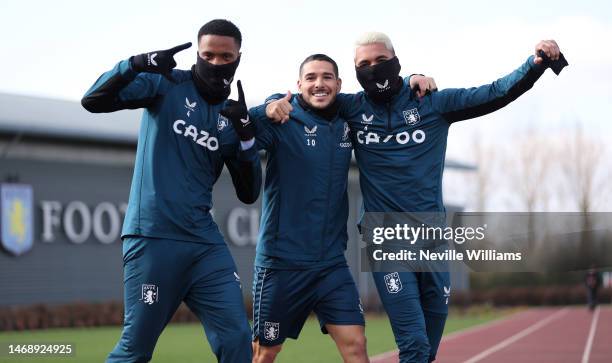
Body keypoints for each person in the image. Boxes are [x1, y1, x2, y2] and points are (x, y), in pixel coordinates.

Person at [266, 32, 566, 362]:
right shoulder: (350, 107)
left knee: (428, 350)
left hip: (431, 237)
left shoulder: (433, 103)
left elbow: (496, 92)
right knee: (414, 345)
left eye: (380, 61)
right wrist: (271, 101)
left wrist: (534, 65)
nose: (373, 69)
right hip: (385, 238)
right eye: (363, 65)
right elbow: (308, 95)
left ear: (396, 61)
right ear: (353, 72)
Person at [81, 19, 261, 363]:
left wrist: (247, 138)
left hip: (204, 244)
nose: (217, 62)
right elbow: (93, 100)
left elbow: (249, 192)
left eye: (226, 56)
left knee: (238, 338)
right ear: (197, 53)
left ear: (239, 57)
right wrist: (135, 64)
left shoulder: (232, 115)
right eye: (208, 54)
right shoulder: (165, 85)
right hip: (154, 237)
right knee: (135, 350)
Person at [248, 54, 369, 363]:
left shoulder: (348, 117)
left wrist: (414, 78)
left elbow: (387, 99)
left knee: (356, 344)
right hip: (282, 265)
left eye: (327, 77)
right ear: (299, 84)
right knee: (265, 353)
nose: (319, 84)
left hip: (330, 264)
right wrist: (265, 109)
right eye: (312, 77)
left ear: (339, 85)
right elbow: (240, 130)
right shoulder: (282, 119)